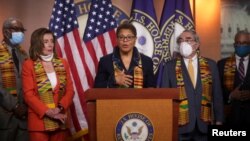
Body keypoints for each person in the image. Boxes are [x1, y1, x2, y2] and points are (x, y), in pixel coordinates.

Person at [160, 30, 223, 141]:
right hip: (180, 126)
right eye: (181, 40)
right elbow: (165, 98)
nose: (184, 43)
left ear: (197, 44)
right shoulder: (170, 67)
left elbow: (217, 95)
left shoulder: (211, 65)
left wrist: (219, 121)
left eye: (188, 39)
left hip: (204, 124)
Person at [22, 28, 74, 141]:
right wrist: (49, 112)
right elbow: (28, 95)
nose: (50, 45)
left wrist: (59, 108)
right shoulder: (29, 64)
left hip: (61, 119)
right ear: (37, 44)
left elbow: (70, 90)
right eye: (45, 42)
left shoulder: (63, 62)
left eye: (51, 41)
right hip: (39, 122)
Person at [94, 22, 155, 88]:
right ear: (117, 40)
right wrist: (114, 81)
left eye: (129, 37)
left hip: (139, 98)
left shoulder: (147, 61)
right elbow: (97, 88)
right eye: (121, 37)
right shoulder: (105, 61)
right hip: (114, 98)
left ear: (135, 39)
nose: (125, 40)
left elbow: (151, 89)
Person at [0, 17, 28, 141]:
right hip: (5, 118)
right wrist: (14, 106)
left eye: (22, 30)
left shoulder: (24, 54)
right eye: (17, 29)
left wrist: (25, 106)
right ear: (6, 32)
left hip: (24, 117)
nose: (21, 33)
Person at [217, 30, 250, 127]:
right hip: (230, 118)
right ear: (234, 45)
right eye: (238, 43)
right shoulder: (222, 64)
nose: (241, 46)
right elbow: (217, 92)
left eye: (244, 43)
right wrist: (231, 95)